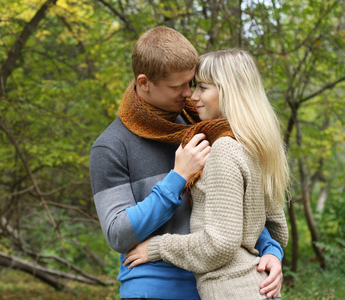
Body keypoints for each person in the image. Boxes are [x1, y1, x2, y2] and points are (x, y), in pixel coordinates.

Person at [90, 26, 284, 300]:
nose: (188, 94)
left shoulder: (203, 123)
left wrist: (270, 251)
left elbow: (234, 206)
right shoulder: (110, 146)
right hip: (155, 285)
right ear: (144, 82)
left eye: (192, 83)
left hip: (219, 282)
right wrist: (177, 178)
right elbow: (118, 234)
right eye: (177, 86)